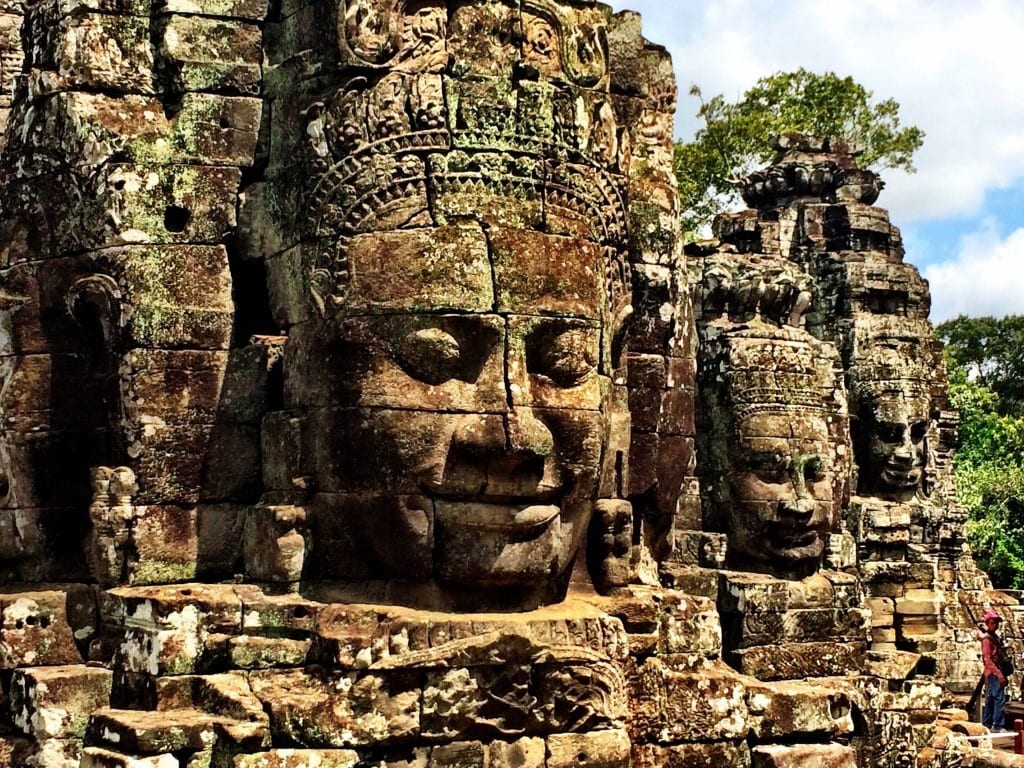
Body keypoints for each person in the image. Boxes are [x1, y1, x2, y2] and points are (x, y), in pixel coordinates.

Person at [981, 611, 1012, 731]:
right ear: (988, 624)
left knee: (991, 698)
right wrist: (999, 675)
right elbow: (987, 660)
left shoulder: (995, 638)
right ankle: (998, 725)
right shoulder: (987, 640)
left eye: (996, 623)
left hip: (998, 670)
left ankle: (987, 723)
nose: (995, 625)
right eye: (993, 623)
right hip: (993, 672)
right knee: (999, 697)